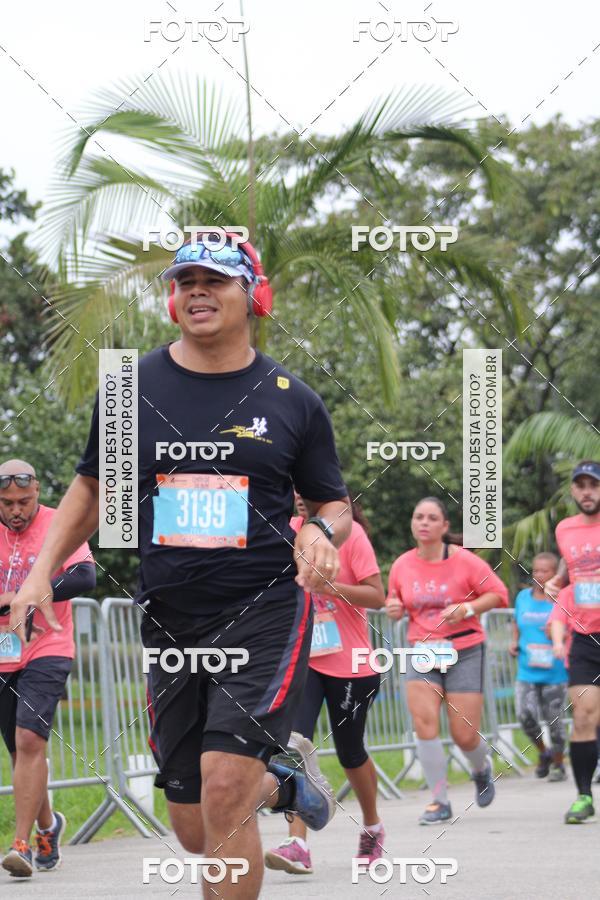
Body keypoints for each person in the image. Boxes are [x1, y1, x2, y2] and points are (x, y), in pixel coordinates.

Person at [12, 233, 352, 899]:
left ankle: (261, 778)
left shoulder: (293, 399)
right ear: (172, 302)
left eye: (215, 280)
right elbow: (92, 489)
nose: (197, 291)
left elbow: (333, 503)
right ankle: (286, 780)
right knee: (196, 826)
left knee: (226, 790)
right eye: (185, 281)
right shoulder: (130, 388)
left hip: (264, 613)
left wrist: (318, 529)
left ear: (253, 296)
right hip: (169, 620)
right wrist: (39, 571)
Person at [265, 494, 385, 875]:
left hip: (350, 662)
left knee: (350, 752)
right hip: (303, 660)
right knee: (294, 744)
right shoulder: (285, 534)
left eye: (306, 492)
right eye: (293, 492)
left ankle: (372, 826)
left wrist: (331, 588)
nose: (299, 500)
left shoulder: (353, 537)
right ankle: (297, 843)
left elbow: (377, 596)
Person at [386, 496, 509, 825]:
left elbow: (498, 594)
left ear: (444, 526)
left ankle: (481, 769)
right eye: (418, 517)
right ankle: (439, 800)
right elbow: (396, 601)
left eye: (431, 518)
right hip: (422, 650)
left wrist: (466, 609)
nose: (423, 523)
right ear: (413, 524)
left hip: (465, 649)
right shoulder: (401, 565)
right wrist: (394, 608)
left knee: (464, 735)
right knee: (424, 726)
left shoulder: (466, 562)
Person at [0, 460, 95, 878]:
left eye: (24, 500)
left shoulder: (60, 523)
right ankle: (48, 826)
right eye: (7, 503)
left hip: (49, 645)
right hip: (4, 651)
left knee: (29, 738)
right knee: (19, 751)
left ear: (37, 492)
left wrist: (34, 593)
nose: (16, 510)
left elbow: (84, 576)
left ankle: (20, 846)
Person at [548, 460, 600, 824]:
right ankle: (583, 796)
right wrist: (557, 581)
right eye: (580, 485)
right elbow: (573, 565)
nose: (587, 492)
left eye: (594, 485)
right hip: (583, 636)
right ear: (572, 491)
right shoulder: (564, 528)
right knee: (583, 715)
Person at [509, 552, 567, 781]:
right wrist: (514, 641)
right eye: (536, 571)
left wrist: (559, 631)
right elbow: (516, 622)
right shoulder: (523, 597)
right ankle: (545, 753)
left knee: (555, 725)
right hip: (527, 670)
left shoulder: (562, 598)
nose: (539, 575)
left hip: (555, 671)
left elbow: (574, 627)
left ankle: (559, 766)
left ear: (556, 574)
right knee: (525, 716)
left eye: (545, 571)